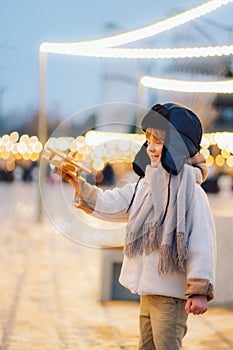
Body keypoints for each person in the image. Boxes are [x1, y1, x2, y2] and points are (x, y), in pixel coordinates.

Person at [53, 102, 216, 350]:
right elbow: (115, 203)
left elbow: (202, 244)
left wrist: (199, 290)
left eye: (159, 141)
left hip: (171, 296)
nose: (150, 147)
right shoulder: (146, 185)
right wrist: (79, 185)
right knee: (146, 346)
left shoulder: (192, 194)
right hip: (148, 290)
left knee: (167, 345)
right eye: (148, 140)